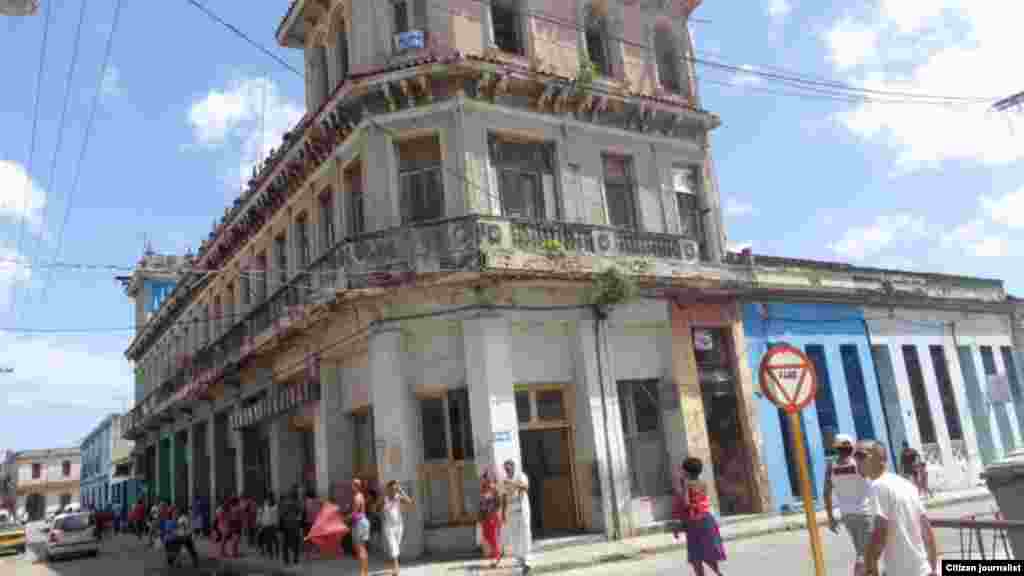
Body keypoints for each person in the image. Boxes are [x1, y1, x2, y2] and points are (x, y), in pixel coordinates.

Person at [862, 441, 938, 576]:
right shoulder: (907, 485)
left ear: (880, 459)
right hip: (922, 570)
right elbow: (927, 532)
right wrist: (932, 569)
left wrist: (869, 567)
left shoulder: (878, 486)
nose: (855, 460)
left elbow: (879, 533)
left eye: (861, 455)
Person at [825, 435, 874, 576]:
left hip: (847, 515)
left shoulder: (831, 466)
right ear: (852, 447)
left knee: (863, 551)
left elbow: (826, 493)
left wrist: (831, 518)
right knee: (864, 554)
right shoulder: (858, 463)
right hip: (865, 513)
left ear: (836, 448)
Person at [673, 457, 726, 576]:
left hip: (694, 521)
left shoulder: (687, 484)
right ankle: (719, 573)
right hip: (706, 519)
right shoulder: (703, 483)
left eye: (682, 469)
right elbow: (702, 501)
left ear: (686, 471)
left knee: (695, 556)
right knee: (707, 552)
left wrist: (680, 489)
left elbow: (686, 503)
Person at [500, 459, 532, 574]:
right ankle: (520, 559)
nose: (507, 471)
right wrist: (503, 513)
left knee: (524, 534)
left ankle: (527, 559)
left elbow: (525, 487)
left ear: (513, 467)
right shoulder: (504, 480)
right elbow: (504, 497)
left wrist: (512, 483)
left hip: (522, 510)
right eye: (505, 469)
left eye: (508, 468)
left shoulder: (521, 476)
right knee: (514, 535)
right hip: (511, 511)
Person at [380, 480, 414, 576]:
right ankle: (396, 569)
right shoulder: (385, 499)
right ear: (388, 489)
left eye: (395, 488)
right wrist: (382, 499)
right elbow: (375, 507)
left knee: (396, 546)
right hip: (389, 527)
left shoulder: (398, 497)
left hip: (399, 526)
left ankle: (394, 565)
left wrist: (401, 490)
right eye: (392, 488)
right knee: (393, 546)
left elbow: (410, 502)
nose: (394, 490)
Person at [478, 467, 504, 568]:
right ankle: (496, 554)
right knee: (487, 536)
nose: (483, 480)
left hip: (492, 516)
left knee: (493, 537)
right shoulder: (483, 489)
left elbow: (499, 502)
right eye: (483, 478)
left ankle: (497, 557)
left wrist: (493, 510)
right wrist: (480, 515)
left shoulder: (494, 489)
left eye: (485, 477)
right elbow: (481, 504)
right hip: (485, 517)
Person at [350, 478, 371, 576]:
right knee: (363, 548)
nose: (351, 487)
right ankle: (365, 572)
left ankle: (363, 573)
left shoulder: (357, 497)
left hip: (359, 523)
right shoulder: (361, 495)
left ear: (356, 486)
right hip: (364, 522)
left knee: (360, 548)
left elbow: (354, 513)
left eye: (352, 485)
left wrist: (344, 518)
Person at [279, 487, 303, 566]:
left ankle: (286, 560)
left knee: (286, 543)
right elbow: (300, 514)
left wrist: (281, 526)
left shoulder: (285, 503)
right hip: (295, 526)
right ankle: (295, 559)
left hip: (287, 525)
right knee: (296, 543)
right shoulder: (298, 503)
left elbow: (282, 515)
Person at [259, 493, 280, 560]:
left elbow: (278, 516)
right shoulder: (264, 506)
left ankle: (277, 554)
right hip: (266, 525)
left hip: (273, 526)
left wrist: (278, 524)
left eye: (271, 498)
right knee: (268, 541)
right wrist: (260, 523)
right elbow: (260, 514)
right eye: (269, 498)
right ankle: (270, 554)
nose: (270, 499)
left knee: (276, 541)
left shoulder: (276, 506)